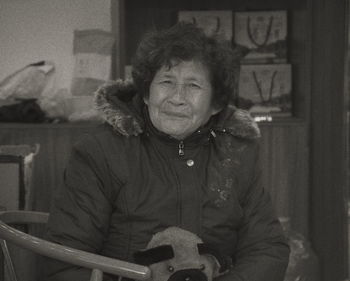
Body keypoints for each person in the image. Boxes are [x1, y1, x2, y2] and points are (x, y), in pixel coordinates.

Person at [45, 22, 290, 281]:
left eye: (193, 85)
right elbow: (65, 259)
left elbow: (267, 248)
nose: (177, 97)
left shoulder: (236, 154)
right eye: (166, 81)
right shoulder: (100, 152)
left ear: (216, 104)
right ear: (147, 93)